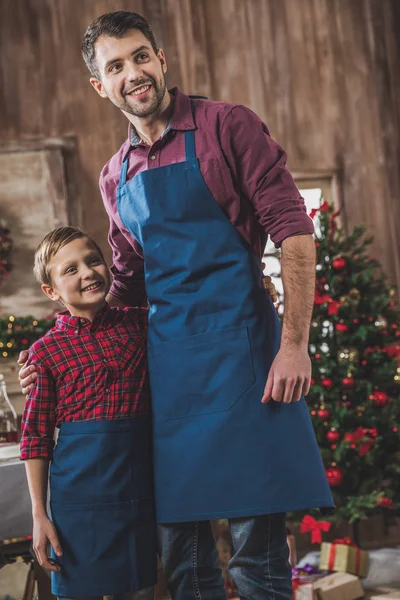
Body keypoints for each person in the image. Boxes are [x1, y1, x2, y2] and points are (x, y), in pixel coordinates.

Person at [19, 11, 335, 600]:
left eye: (141, 57)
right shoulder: (115, 176)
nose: (133, 73)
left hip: (249, 363)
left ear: (161, 60)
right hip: (172, 380)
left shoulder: (227, 126)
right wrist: (59, 347)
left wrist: (294, 346)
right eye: (116, 66)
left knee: (256, 560)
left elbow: (294, 231)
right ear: (100, 86)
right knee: (186, 564)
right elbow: (126, 287)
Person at [20, 226, 157, 600]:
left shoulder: (142, 325)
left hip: (142, 487)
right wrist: (39, 514)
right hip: (78, 499)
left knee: (143, 589)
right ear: (51, 291)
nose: (87, 272)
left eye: (93, 260)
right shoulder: (44, 354)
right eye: (71, 269)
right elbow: (34, 437)